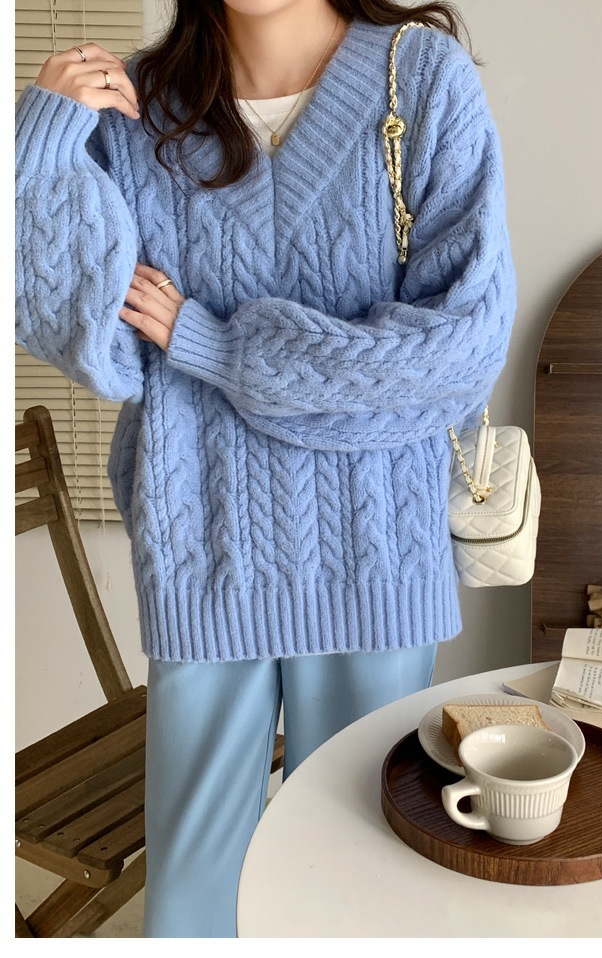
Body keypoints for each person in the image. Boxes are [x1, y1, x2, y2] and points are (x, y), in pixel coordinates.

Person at [15, 0, 516, 938]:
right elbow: (100, 350)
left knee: (363, 897)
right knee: (193, 906)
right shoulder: (141, 105)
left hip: (374, 556)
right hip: (205, 552)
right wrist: (43, 144)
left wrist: (213, 345)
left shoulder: (419, 80)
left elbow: (457, 353)